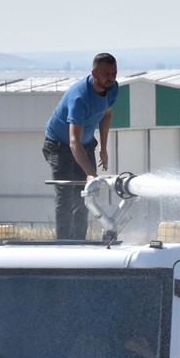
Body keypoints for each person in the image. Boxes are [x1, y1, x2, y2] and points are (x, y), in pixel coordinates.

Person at [42, 53, 119, 240]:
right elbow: (73, 141)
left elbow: (106, 114)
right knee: (66, 197)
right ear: (94, 73)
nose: (111, 78)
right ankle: (64, 243)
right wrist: (90, 172)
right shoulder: (79, 97)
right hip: (59, 146)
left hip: (85, 144)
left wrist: (103, 148)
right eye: (106, 73)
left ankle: (79, 241)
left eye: (114, 73)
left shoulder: (113, 88)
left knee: (86, 194)